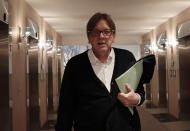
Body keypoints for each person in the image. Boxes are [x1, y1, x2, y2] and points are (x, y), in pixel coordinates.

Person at [55, 12, 145, 131]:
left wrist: (137, 99)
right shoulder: (75, 65)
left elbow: (140, 92)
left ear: (113, 36)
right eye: (95, 32)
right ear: (89, 37)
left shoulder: (127, 58)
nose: (101, 36)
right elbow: (65, 108)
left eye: (106, 32)